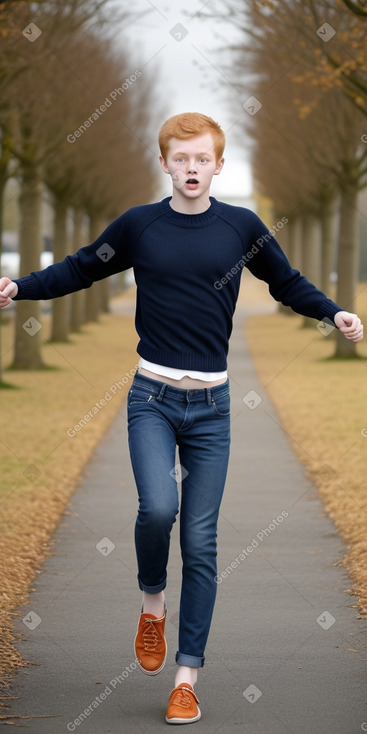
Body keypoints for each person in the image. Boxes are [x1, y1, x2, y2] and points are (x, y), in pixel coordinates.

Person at [0, 112, 363, 725]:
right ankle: (151, 605)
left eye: (202, 160)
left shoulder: (241, 227)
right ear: (164, 162)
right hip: (151, 397)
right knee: (158, 509)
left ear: (218, 165)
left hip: (212, 410)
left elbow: (286, 281)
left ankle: (186, 678)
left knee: (200, 542)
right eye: (180, 159)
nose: (191, 169)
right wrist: (19, 286)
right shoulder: (141, 226)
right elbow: (83, 266)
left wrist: (335, 314)